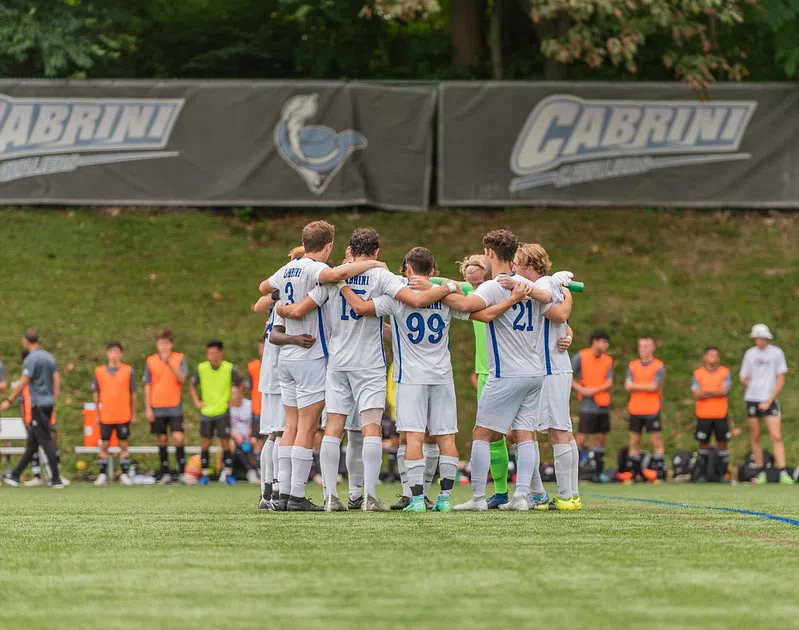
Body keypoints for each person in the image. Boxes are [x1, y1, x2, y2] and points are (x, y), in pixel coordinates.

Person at [277, 227, 454, 512]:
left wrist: (283, 311)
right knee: (371, 428)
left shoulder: (335, 275)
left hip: (337, 362)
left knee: (334, 428)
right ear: (376, 252)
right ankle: (370, 497)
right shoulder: (382, 276)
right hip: (369, 363)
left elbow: (302, 308)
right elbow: (415, 297)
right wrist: (449, 285)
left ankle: (330, 496)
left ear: (350, 248)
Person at [259, 220, 388, 511]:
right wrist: (375, 266)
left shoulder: (287, 269)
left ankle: (281, 492)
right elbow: (340, 273)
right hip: (311, 353)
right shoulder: (317, 271)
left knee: (289, 426)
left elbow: (265, 286)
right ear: (328, 246)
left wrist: (280, 304)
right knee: (306, 427)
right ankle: (295, 496)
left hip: (286, 358)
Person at [341, 246, 469, 512]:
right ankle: (444, 499)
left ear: (408, 270)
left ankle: (417, 499)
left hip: (410, 376)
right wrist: (449, 286)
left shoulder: (396, 297)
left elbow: (360, 308)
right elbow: (472, 303)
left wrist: (340, 282)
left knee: (413, 438)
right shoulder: (446, 297)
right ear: (432, 271)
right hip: (442, 375)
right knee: (446, 437)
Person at [1, 329, 64, 488]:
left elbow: (23, 381)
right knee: (33, 442)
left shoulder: (31, 358)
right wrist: (54, 399)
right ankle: (15, 475)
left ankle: (56, 478)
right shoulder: (49, 357)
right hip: (48, 402)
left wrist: (9, 399)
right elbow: (56, 379)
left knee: (45, 441)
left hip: (38, 404)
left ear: (25, 341)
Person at [740, 323, 792, 485]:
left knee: (776, 436)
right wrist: (747, 382)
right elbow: (744, 375)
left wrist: (769, 399)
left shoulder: (776, 353)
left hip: (769, 399)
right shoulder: (750, 354)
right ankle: (760, 471)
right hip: (752, 399)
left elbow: (780, 378)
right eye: (757, 338)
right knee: (755, 437)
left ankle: (782, 471)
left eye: (762, 338)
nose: (759, 341)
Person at [190, 339, 242, 485]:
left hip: (222, 411)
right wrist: (196, 401)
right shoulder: (202, 368)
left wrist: (236, 400)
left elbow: (239, 383)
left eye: (213, 353)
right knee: (205, 443)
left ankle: (228, 473)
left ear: (220, 353)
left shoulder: (229, 368)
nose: (210, 356)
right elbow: (192, 385)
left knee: (225, 443)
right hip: (207, 412)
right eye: (208, 353)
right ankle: (205, 474)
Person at [143, 329, 189, 484]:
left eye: (166, 343)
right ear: (157, 345)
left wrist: (169, 363)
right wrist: (148, 407)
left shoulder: (179, 358)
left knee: (178, 437)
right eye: (161, 343)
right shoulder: (150, 361)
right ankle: (165, 473)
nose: (163, 347)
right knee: (161, 439)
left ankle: (182, 472)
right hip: (157, 406)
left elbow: (182, 379)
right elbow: (147, 385)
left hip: (174, 406)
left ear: (171, 344)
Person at [93, 341, 137, 487]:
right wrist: (97, 413)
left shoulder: (128, 371)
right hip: (106, 414)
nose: (114, 355)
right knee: (104, 444)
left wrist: (133, 413)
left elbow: (133, 393)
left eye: (116, 351)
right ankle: (102, 474)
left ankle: (124, 474)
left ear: (121, 354)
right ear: (107, 353)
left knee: (123, 444)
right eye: (111, 351)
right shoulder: (99, 371)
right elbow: (96, 393)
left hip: (123, 414)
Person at [572, 330, 614, 480]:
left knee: (600, 437)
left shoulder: (608, 360)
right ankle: (574, 469)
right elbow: (568, 374)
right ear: (595, 342)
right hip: (587, 405)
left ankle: (598, 471)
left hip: (602, 403)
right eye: (603, 341)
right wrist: (581, 389)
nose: (605, 345)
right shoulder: (581, 356)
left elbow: (609, 381)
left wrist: (594, 390)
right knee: (581, 436)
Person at [625, 336, 666, 482]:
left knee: (656, 441)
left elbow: (655, 386)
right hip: (635, 409)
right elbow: (627, 385)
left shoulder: (658, 366)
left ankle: (659, 473)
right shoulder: (633, 365)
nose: (643, 349)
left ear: (652, 347)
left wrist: (636, 386)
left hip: (652, 408)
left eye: (646, 346)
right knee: (634, 441)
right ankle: (633, 473)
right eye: (641, 346)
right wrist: (645, 387)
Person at [692, 347, 732, 481]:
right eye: (710, 354)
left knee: (722, 443)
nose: (713, 357)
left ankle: (723, 474)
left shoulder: (724, 372)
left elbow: (725, 391)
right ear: (705, 357)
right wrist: (716, 392)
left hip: (720, 413)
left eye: (715, 355)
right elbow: (697, 394)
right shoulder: (698, 373)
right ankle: (701, 474)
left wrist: (706, 392)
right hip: (703, 414)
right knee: (703, 443)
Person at [229, 390, 258, 483]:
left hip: (249, 436)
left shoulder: (249, 405)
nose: (233, 396)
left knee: (254, 441)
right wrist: (235, 435)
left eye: (235, 393)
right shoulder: (227, 407)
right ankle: (227, 472)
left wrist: (249, 434)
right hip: (234, 437)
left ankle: (255, 471)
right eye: (231, 394)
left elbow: (255, 422)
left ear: (240, 393)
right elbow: (225, 427)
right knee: (230, 444)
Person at [247, 340, 266, 470]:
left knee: (275, 438)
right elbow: (250, 388)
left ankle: (274, 470)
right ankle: (257, 469)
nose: (263, 351)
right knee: (257, 441)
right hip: (258, 409)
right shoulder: (252, 366)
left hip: (274, 409)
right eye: (261, 348)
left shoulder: (276, 364)